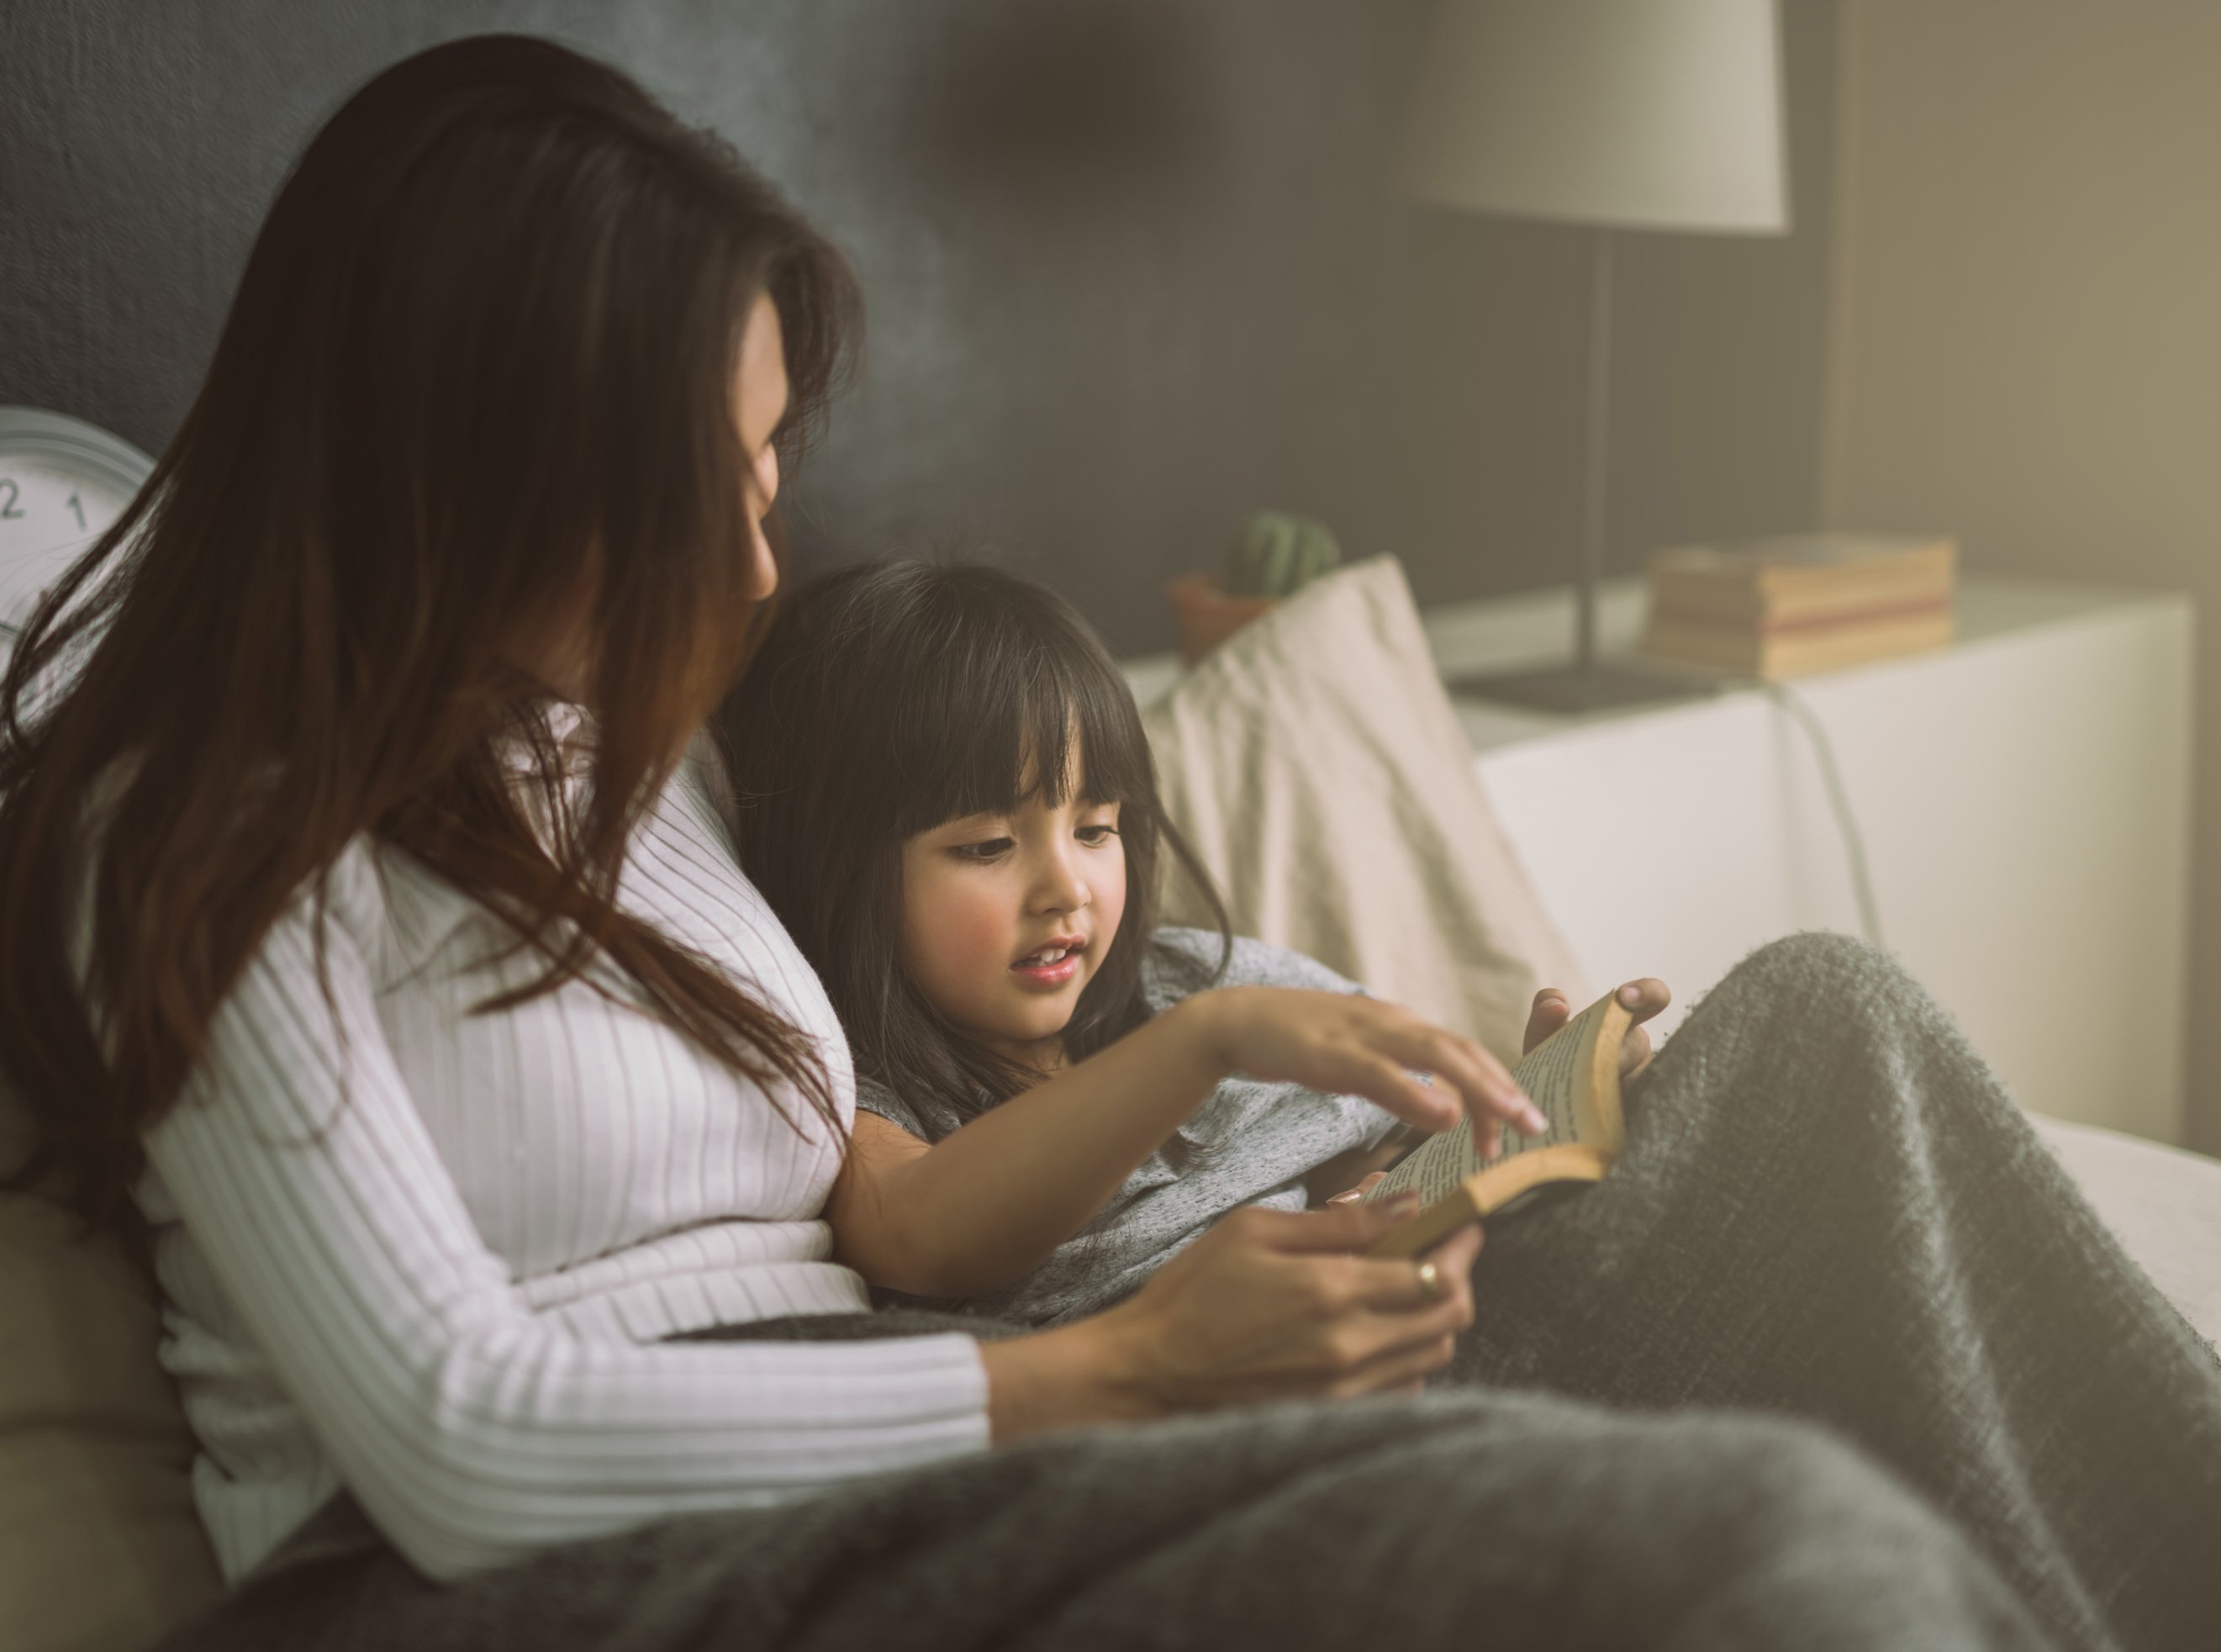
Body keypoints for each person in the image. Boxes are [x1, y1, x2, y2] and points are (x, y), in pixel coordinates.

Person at [0, 32, 2205, 1652]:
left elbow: (938, 1165)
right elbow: (459, 1446)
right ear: (482, 459)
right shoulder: (187, 829)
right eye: (718, 489)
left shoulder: (626, 763)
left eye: (776, 477)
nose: (761, 567)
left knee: (1811, 1050)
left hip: (914, 1412)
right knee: (1757, 1557)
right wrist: (1125, 1377)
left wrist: (1407, 1158)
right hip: (532, 1578)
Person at [717, 554, 1612, 1327]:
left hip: (1443, 1294)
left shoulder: (1199, 977)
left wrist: (1529, 1120)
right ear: (832, 869)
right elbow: (919, 1234)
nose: (1065, 888)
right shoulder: (860, 1095)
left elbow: (1382, 1138)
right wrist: (1202, 1044)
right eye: (986, 846)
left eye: (1096, 828)